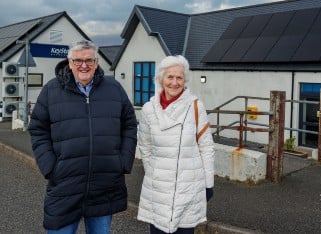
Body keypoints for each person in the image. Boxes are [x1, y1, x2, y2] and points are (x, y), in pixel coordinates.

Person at [28, 40, 137, 233]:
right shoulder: (51, 90)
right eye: (78, 60)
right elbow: (38, 129)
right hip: (65, 185)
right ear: (69, 62)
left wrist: (123, 161)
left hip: (104, 186)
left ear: (96, 63)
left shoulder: (114, 88)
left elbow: (129, 124)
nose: (84, 65)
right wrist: (50, 167)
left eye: (89, 60)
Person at [137, 55, 215, 234]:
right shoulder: (149, 110)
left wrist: (208, 184)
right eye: (169, 77)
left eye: (179, 77)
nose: (174, 82)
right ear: (161, 79)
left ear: (185, 80)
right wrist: (154, 173)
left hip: (189, 188)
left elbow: (206, 147)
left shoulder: (195, 106)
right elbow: (145, 147)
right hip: (158, 190)